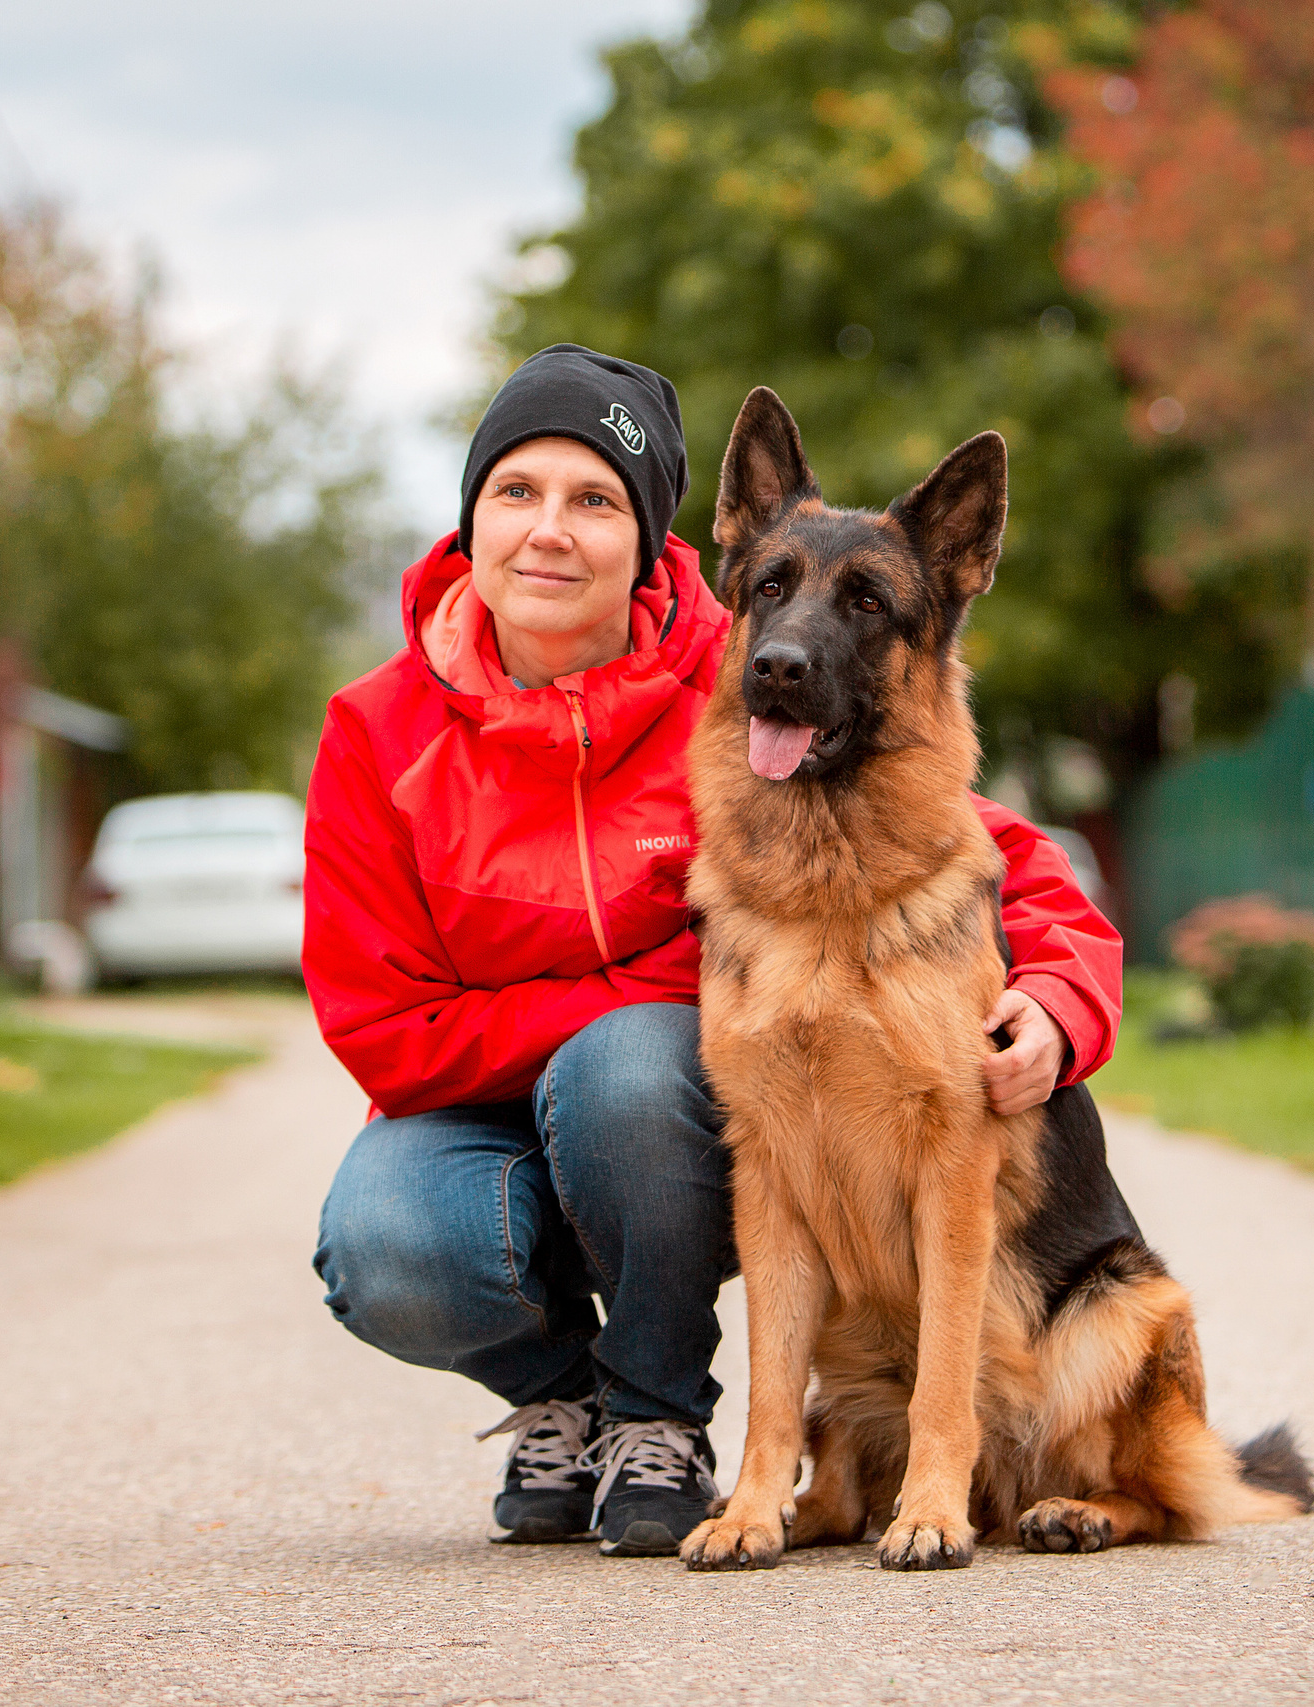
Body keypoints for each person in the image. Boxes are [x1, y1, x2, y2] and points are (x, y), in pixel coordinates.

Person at [304, 344, 1123, 1558]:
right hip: (477, 1102)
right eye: (515, 492)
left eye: (593, 501)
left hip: (647, 1116)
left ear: (654, 537)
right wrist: (639, 1004)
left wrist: (1057, 1001)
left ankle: (655, 1420)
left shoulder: (727, 674)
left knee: (634, 1076)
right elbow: (377, 1028)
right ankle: (567, 1401)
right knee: (392, 1239)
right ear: (470, 517)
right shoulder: (376, 731)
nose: (548, 531)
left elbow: (989, 856)